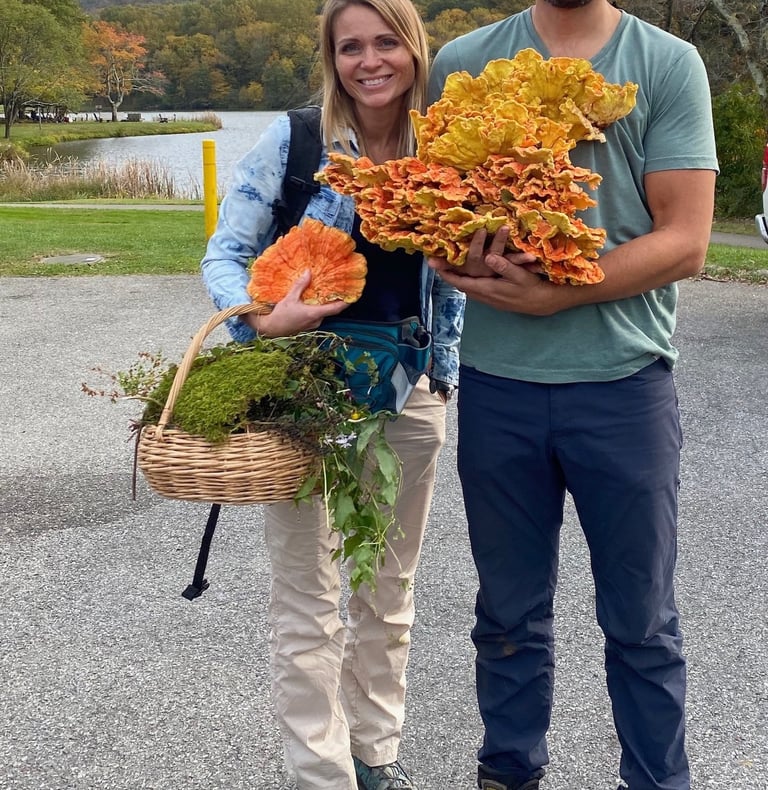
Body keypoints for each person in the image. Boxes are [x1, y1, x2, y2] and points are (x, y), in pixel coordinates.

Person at [427, 2, 718, 790]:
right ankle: (509, 770)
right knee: (507, 615)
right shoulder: (463, 62)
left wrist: (565, 295)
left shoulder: (665, 63)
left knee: (643, 621)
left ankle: (657, 781)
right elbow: (432, 204)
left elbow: (686, 238)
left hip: (624, 385)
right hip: (500, 386)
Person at [200, 0, 464, 788]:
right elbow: (224, 254)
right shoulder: (296, 140)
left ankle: (375, 755)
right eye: (351, 46)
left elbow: (453, 279)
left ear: (414, 49)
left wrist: (443, 374)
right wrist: (262, 322)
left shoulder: (442, 148)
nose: (370, 60)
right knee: (307, 596)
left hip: (407, 391)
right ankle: (322, 775)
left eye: (387, 41)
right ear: (332, 58)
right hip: (301, 394)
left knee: (387, 589)